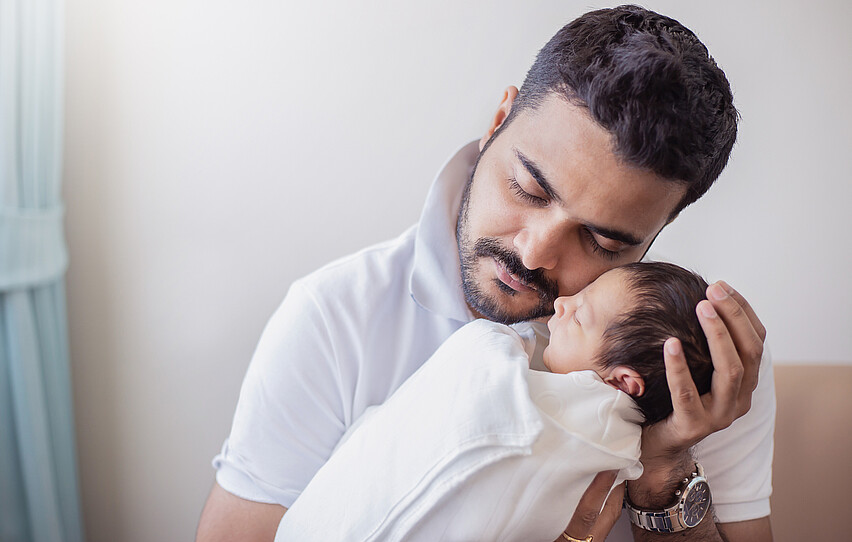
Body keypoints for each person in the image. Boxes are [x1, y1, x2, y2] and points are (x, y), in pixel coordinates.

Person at [196, 5, 774, 542]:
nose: (535, 252)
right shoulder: (334, 318)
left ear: (655, 233)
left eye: (600, 241)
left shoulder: (694, 359)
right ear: (498, 122)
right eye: (528, 189)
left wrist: (664, 473)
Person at [272, 262, 716, 542]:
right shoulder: (330, 305)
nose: (562, 304)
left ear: (622, 383)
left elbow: (485, 411)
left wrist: (497, 339)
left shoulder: (594, 423)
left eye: (580, 314)